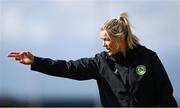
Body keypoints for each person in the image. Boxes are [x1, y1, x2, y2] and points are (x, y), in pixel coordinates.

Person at [7, 12, 178, 107]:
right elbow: (68, 67)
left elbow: (166, 96)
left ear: (121, 37)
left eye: (107, 39)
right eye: (101, 39)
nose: (103, 44)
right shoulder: (100, 63)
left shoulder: (148, 58)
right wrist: (36, 61)